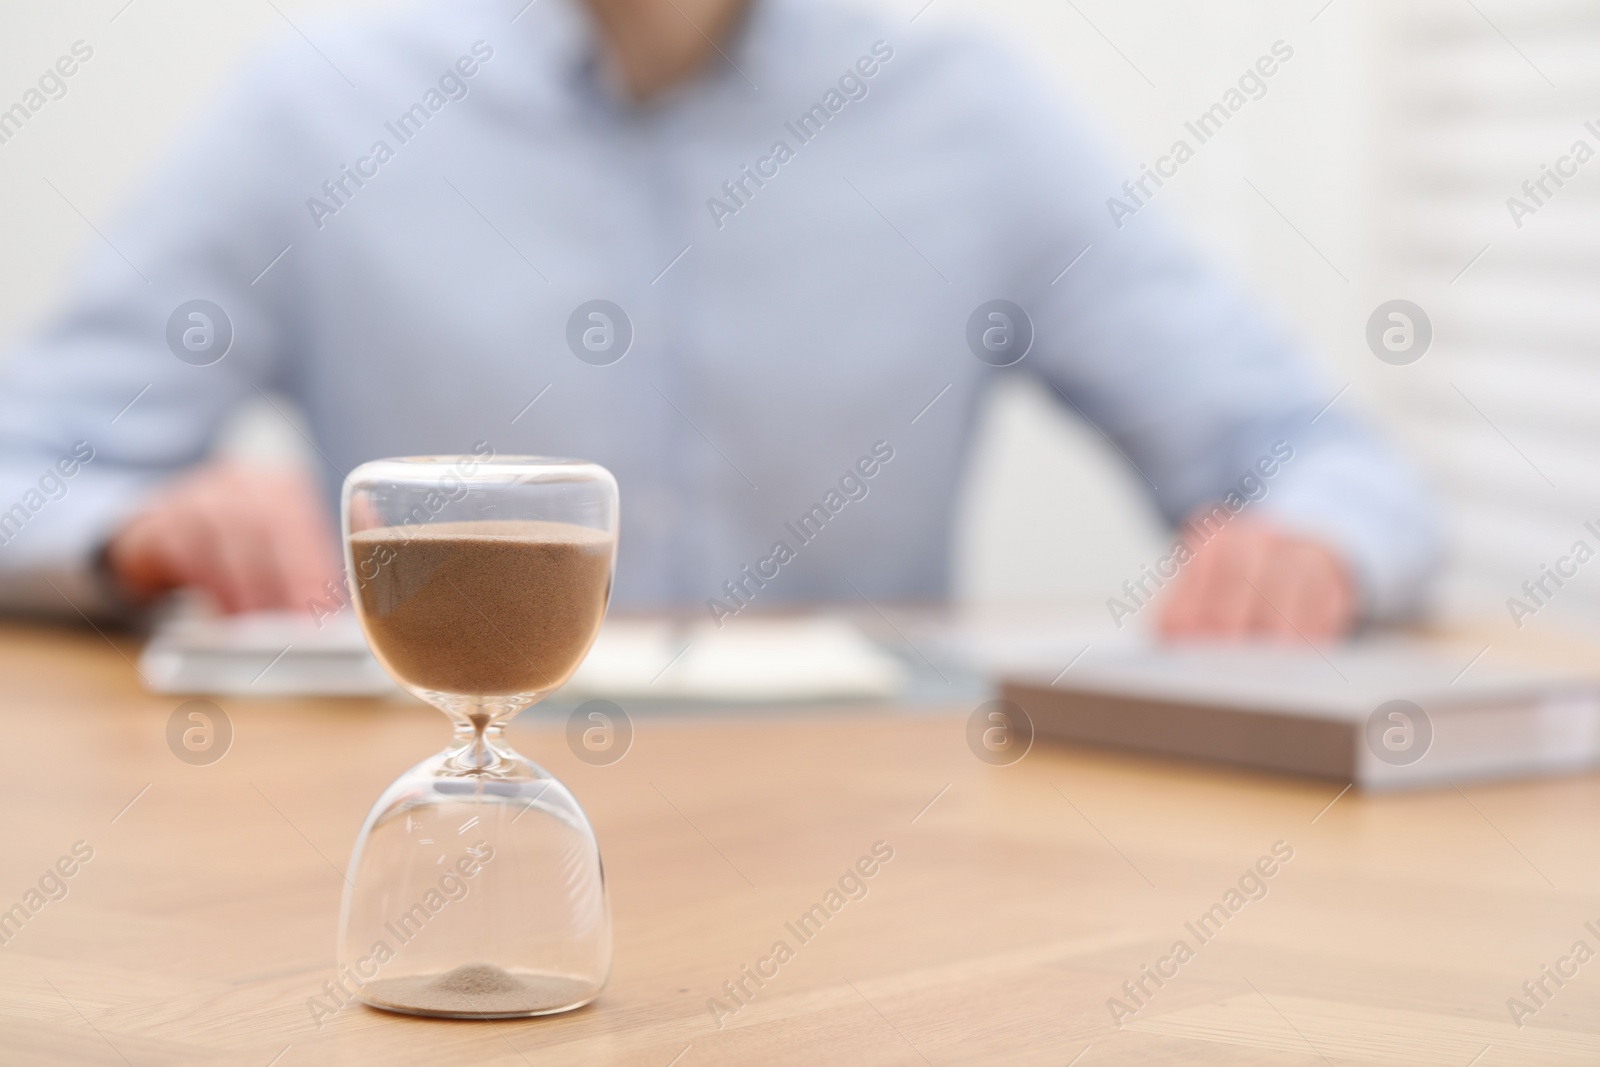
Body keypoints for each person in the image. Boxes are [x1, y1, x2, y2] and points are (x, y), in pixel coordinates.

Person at [0, 0, 1439, 640]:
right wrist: (131, 530)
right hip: (438, 837)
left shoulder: (976, 120)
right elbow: (27, 456)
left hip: (881, 879)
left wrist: (1309, 545)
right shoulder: (312, 113)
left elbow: (1310, 453)